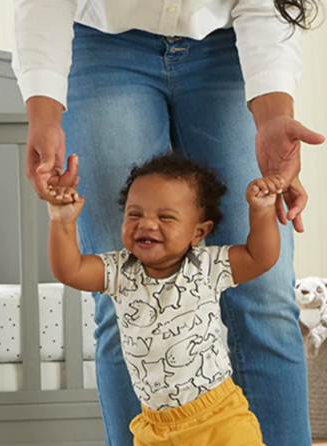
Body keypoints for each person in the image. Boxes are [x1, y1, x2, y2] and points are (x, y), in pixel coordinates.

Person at [11, 1, 326, 445]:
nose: (146, 223)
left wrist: (274, 116)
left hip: (229, 44)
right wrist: (44, 115)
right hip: (103, 46)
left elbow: (259, 256)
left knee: (266, 295)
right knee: (121, 300)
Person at [47, 153, 281, 445]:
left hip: (218, 419)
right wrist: (62, 221)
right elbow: (70, 270)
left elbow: (261, 257)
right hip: (154, 426)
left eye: (165, 217)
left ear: (199, 232)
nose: (146, 224)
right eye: (134, 214)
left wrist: (262, 212)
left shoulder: (207, 266)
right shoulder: (119, 270)